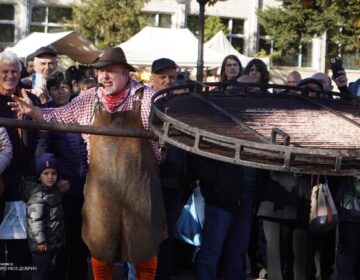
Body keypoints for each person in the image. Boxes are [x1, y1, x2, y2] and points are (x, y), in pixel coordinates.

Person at [9, 47, 166, 280]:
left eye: (110, 71)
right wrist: (34, 112)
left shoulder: (148, 98)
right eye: (100, 71)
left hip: (140, 188)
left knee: (144, 246)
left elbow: (167, 138)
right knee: (100, 246)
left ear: (125, 72)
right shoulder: (90, 99)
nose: (104, 77)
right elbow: (57, 118)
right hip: (101, 190)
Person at [37, 71, 89, 280]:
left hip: (85, 185)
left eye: (64, 86)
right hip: (61, 188)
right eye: (56, 87)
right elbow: (43, 150)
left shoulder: (80, 110)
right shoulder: (45, 112)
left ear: (71, 88)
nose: (61, 90)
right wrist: (55, 179)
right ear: (50, 90)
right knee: (60, 244)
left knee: (81, 243)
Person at [0, 50, 42, 280]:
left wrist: (38, 171)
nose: (10, 75)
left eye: (14, 71)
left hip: (24, 179)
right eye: (5, 71)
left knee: (18, 239)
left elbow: (42, 136)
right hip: (0, 177)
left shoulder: (29, 99)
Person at [188, 153, 257, 280]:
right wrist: (214, 181)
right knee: (212, 251)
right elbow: (196, 154)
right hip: (222, 194)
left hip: (247, 194)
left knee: (237, 252)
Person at [150, 58, 188, 280]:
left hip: (175, 180)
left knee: (168, 236)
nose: (167, 81)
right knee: (149, 235)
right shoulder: (146, 102)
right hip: (151, 178)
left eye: (171, 77)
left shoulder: (182, 103)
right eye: (162, 76)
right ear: (153, 78)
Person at [25, 153, 67, 280]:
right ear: (39, 176)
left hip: (52, 243)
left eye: (53, 173)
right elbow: (35, 220)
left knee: (47, 271)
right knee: (39, 272)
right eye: (46, 173)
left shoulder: (53, 192)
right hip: (42, 246)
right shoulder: (38, 196)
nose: (50, 177)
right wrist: (41, 241)